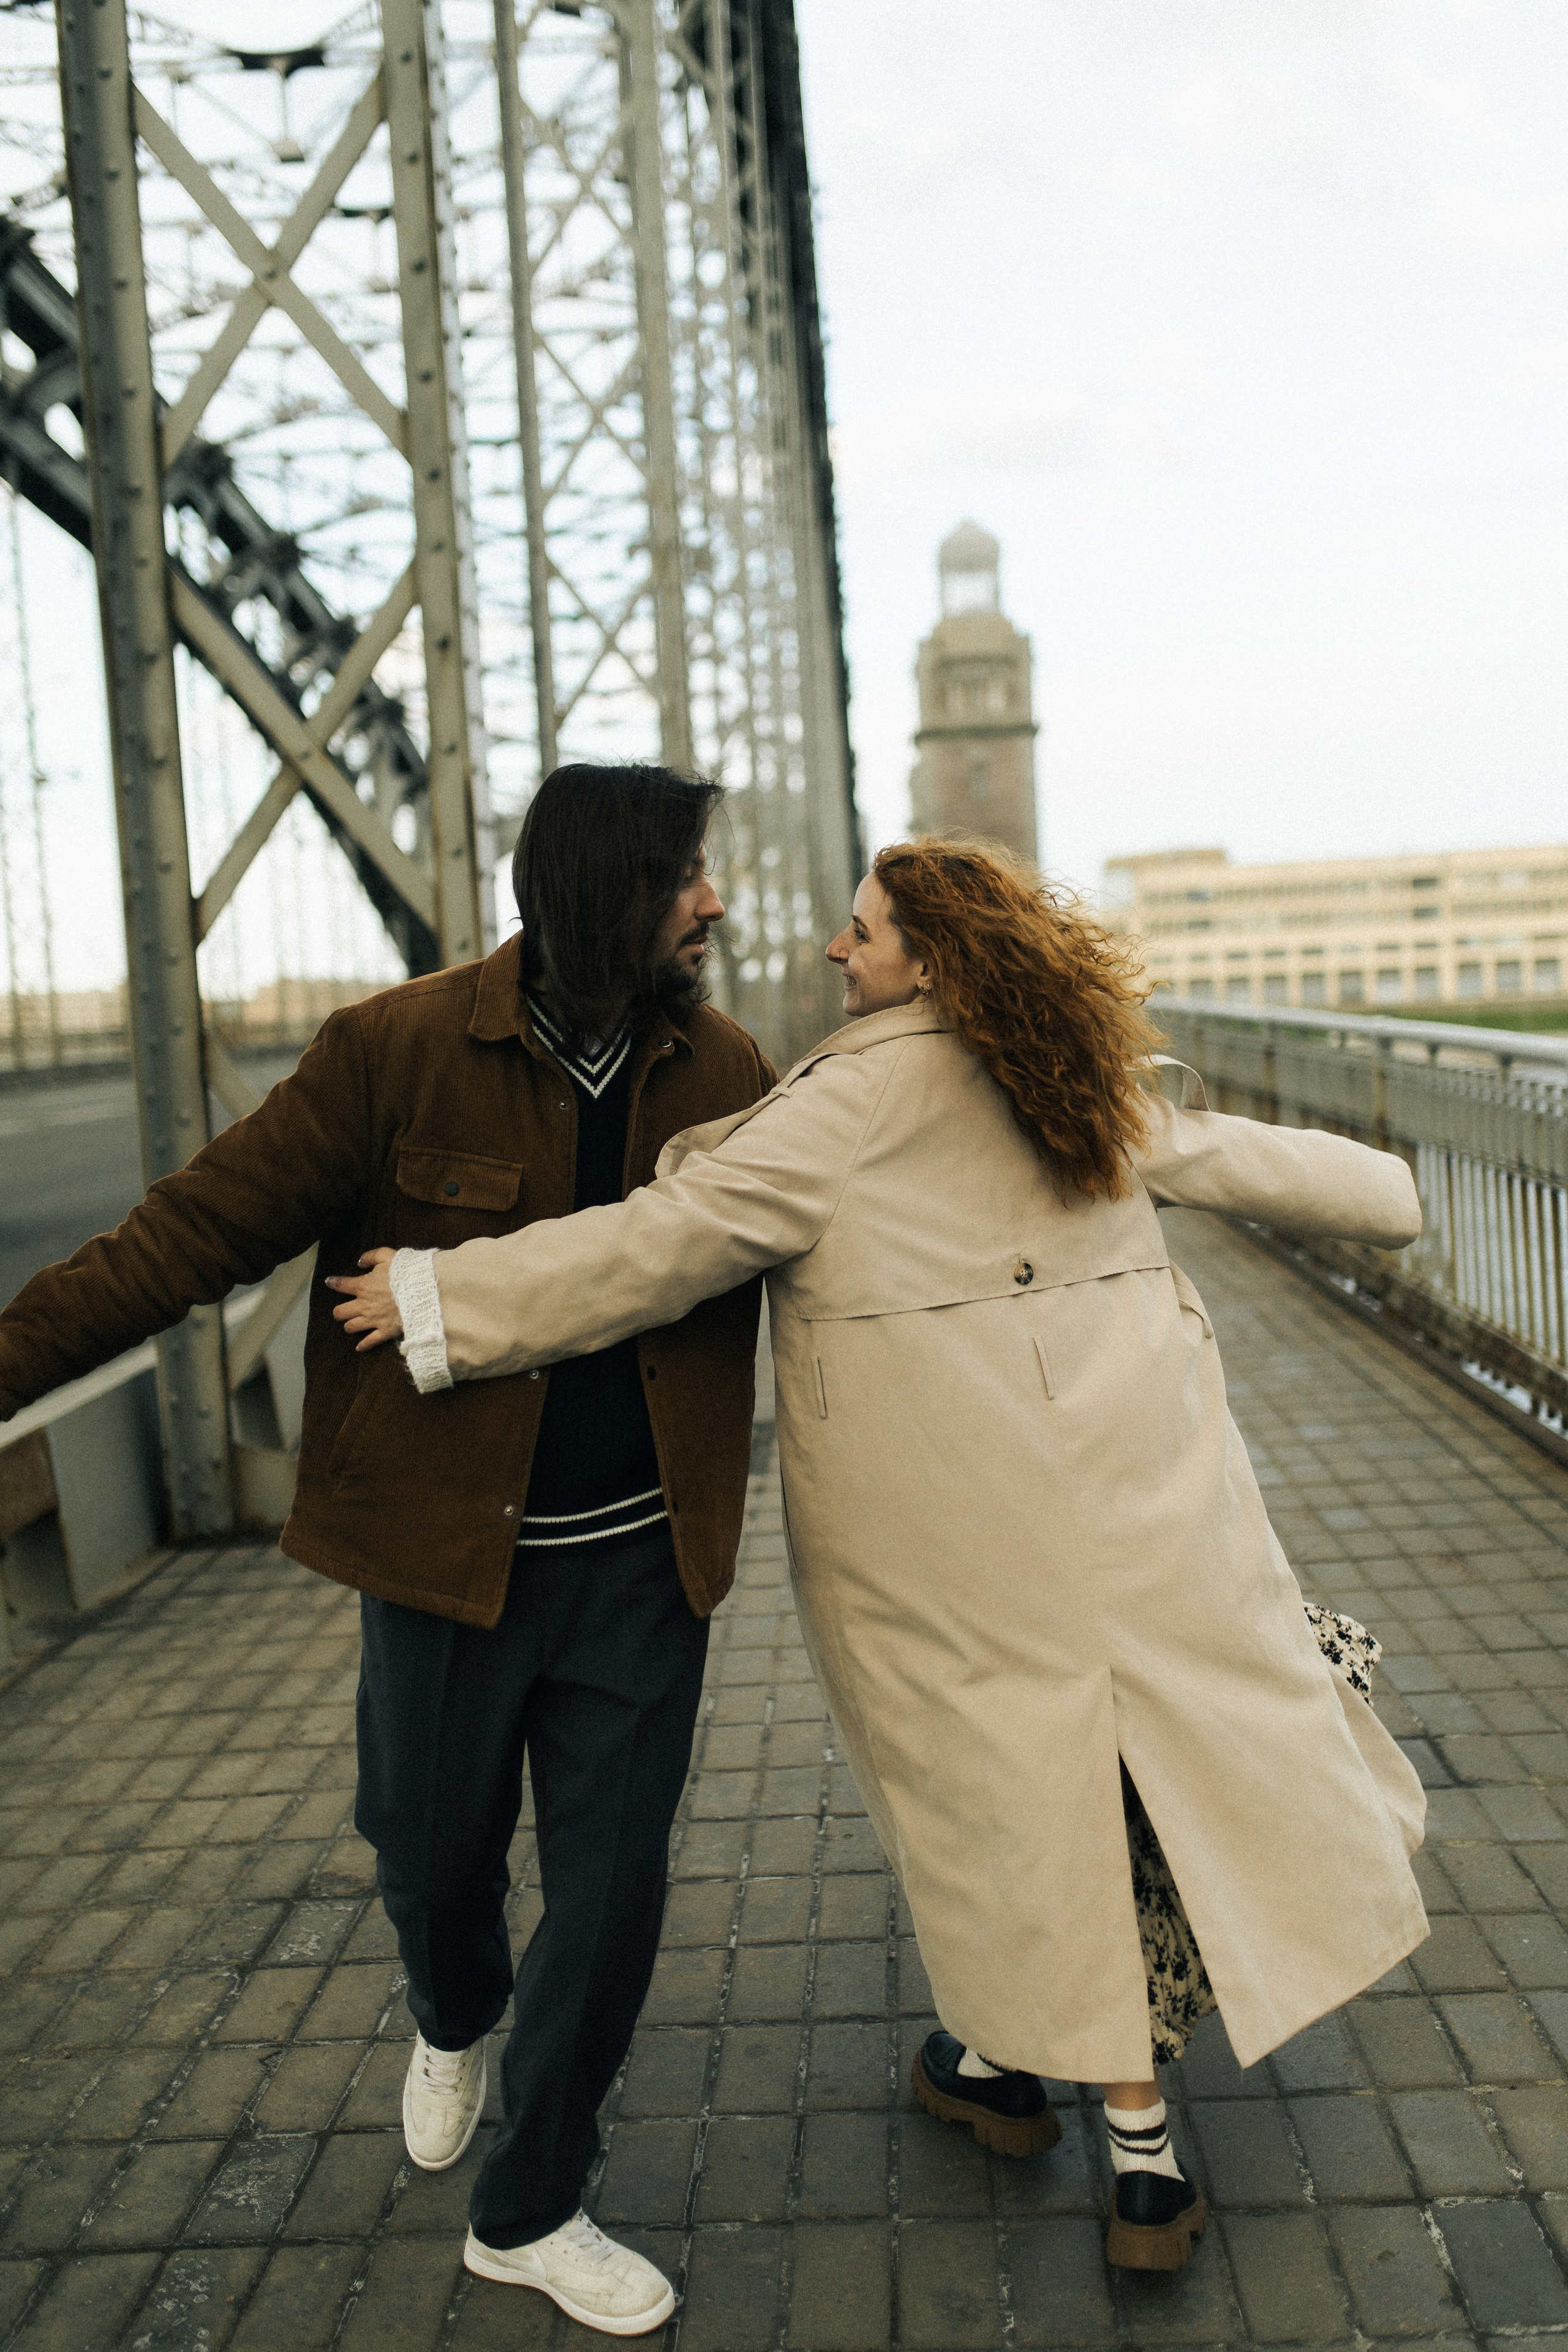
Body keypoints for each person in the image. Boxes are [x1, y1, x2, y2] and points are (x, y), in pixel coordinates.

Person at [331, 836, 1430, 2277]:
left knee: (1009, 1807)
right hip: (1144, 1504)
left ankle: (1137, 2149)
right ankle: (1003, 2066)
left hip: (953, 1543)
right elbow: (1232, 1156)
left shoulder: (846, 1103)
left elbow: (660, 1244)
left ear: (928, 960)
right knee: (1135, 1782)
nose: (832, 955)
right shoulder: (1055, 1071)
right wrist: (1402, 1192)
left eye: (859, 937)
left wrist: (440, 1298)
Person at [0, 763, 778, 2337]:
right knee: (428, 1859)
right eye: (689, 876)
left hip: (640, 1566)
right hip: (439, 1563)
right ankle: (451, 2010)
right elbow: (189, 1236)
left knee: (613, 1897)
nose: (714, 902)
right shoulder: (395, 1052)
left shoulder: (732, 1074)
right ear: (606, 895)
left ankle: (532, 2203)